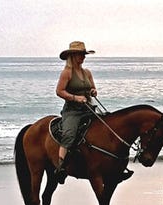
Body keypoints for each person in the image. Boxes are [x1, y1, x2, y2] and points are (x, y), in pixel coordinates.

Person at [54, 41, 133, 184]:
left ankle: (114, 165)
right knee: (69, 134)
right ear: (73, 56)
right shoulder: (67, 73)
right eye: (80, 55)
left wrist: (93, 91)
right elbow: (59, 91)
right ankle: (60, 167)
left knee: (107, 127)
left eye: (84, 55)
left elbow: (92, 88)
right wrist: (75, 98)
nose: (83, 57)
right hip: (73, 111)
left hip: (88, 108)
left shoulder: (87, 72)